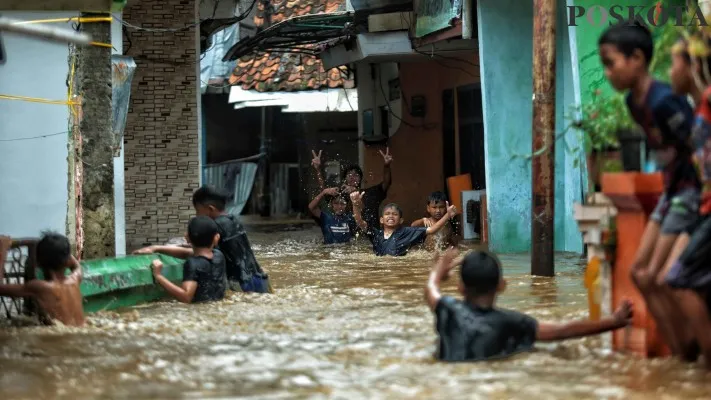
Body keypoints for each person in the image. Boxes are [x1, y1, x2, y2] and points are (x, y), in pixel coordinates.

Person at [599, 21, 699, 357]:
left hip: (690, 190)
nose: (608, 73)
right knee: (640, 274)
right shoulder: (633, 103)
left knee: (663, 276)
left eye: (611, 63)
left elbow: (697, 146)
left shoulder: (663, 101)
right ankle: (679, 354)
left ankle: (688, 350)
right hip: (671, 190)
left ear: (637, 58)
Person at [425, 248, 633, 362]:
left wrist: (438, 272)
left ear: (460, 287)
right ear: (502, 286)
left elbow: (431, 290)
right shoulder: (511, 322)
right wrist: (614, 321)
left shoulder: (448, 310)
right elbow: (563, 330)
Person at [655, 34, 711, 366]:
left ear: (692, 66)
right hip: (702, 209)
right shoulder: (698, 106)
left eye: (675, 63)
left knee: (678, 279)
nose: (670, 71)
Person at [135, 185, 271, 294]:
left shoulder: (216, 226)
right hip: (260, 278)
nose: (197, 216)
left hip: (243, 285)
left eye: (197, 212)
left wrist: (157, 248)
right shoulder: (233, 220)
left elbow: (198, 252)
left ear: (210, 209)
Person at [0, 233, 84, 326]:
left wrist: (3, 250)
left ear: (38, 263)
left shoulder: (41, 287)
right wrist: (63, 250)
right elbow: (76, 265)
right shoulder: (75, 279)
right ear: (67, 260)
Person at [311, 147, 393, 234]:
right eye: (349, 174)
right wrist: (318, 169)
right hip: (349, 238)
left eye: (356, 175)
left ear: (360, 179)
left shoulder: (370, 193)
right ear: (345, 178)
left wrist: (387, 166)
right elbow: (325, 190)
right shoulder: (340, 195)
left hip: (372, 236)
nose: (352, 177)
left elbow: (386, 183)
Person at [350, 191, 456, 256]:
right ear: (381, 220)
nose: (391, 216)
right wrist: (355, 205)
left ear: (401, 220)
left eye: (394, 214)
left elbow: (432, 229)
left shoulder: (406, 233)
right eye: (387, 214)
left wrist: (448, 215)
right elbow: (359, 222)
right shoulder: (376, 234)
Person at [151, 216, 226, 303]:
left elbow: (186, 297)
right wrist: (157, 248)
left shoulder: (192, 263)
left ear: (187, 237)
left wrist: (159, 276)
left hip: (199, 310)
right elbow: (188, 253)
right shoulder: (219, 255)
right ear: (216, 238)